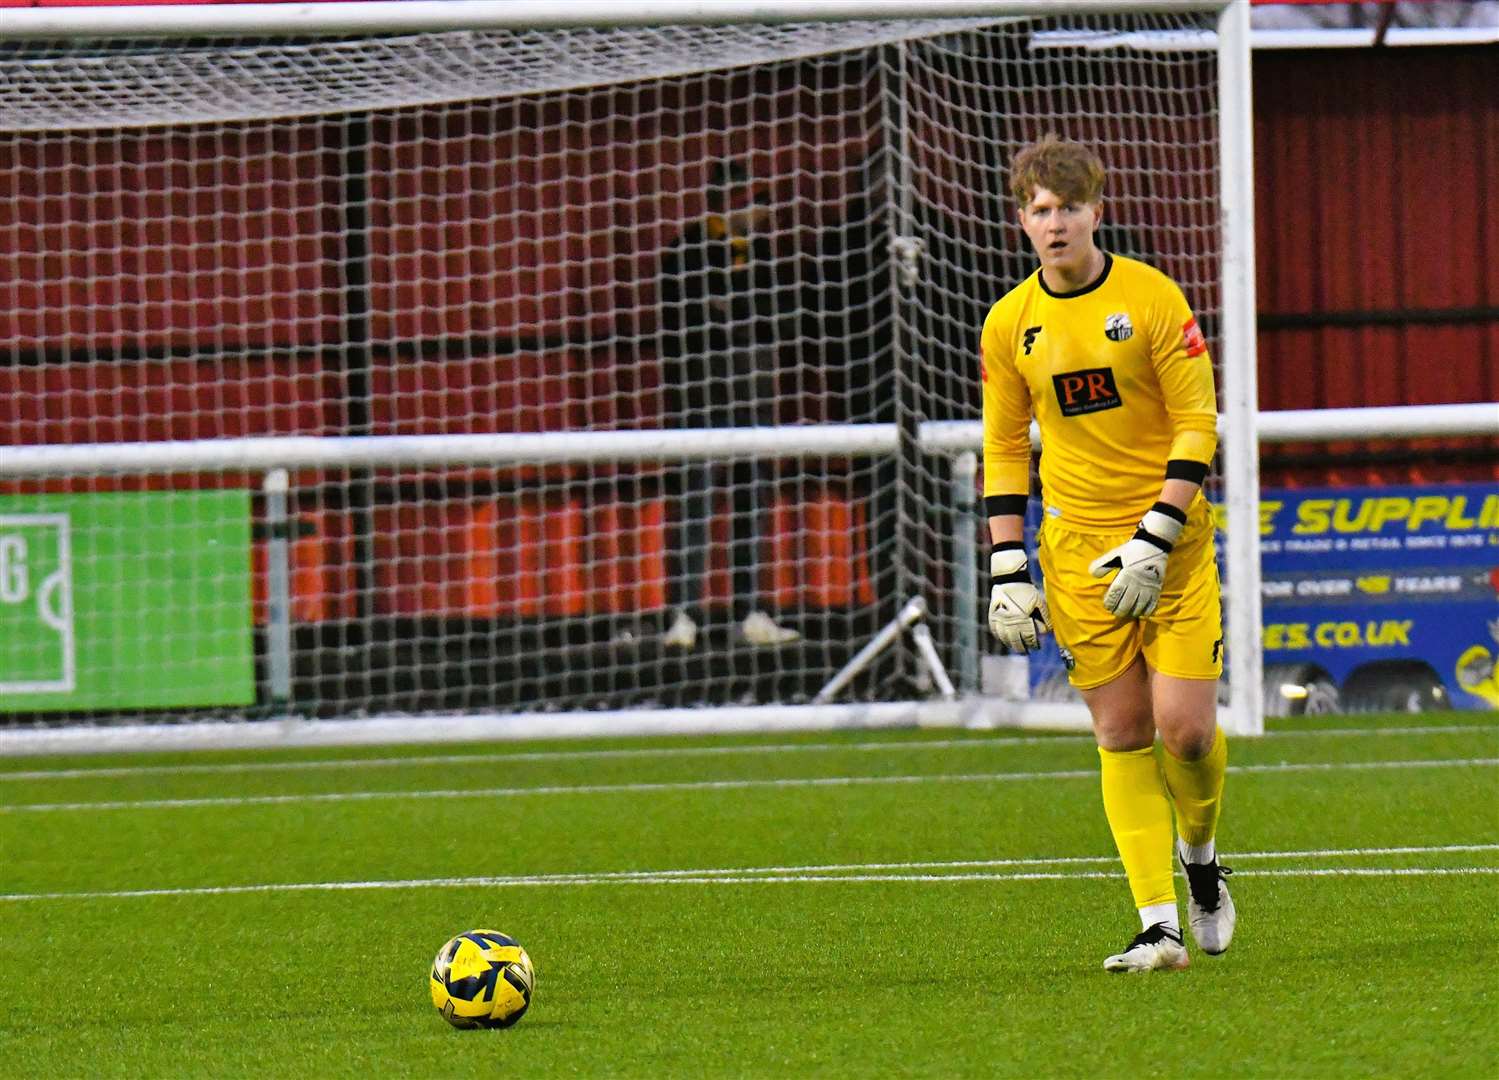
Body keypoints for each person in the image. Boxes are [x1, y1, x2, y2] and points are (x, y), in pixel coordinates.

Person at [979, 134, 1235, 973]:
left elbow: (1198, 423)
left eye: (1069, 208)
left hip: (1172, 542)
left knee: (1186, 733)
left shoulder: (1153, 299)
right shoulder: (1009, 324)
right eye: (1039, 210)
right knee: (1122, 731)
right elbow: (1004, 447)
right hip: (1077, 548)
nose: (1055, 224)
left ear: (1098, 210)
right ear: (1021, 219)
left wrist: (1156, 537)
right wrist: (1007, 566)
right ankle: (1157, 924)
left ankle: (1200, 863)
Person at [656, 161, 801, 650]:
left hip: (754, 390)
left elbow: (774, 314)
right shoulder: (686, 250)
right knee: (695, 501)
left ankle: (752, 610)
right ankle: (684, 614)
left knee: (752, 500)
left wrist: (738, 297)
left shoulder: (764, 254)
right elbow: (690, 316)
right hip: (701, 393)